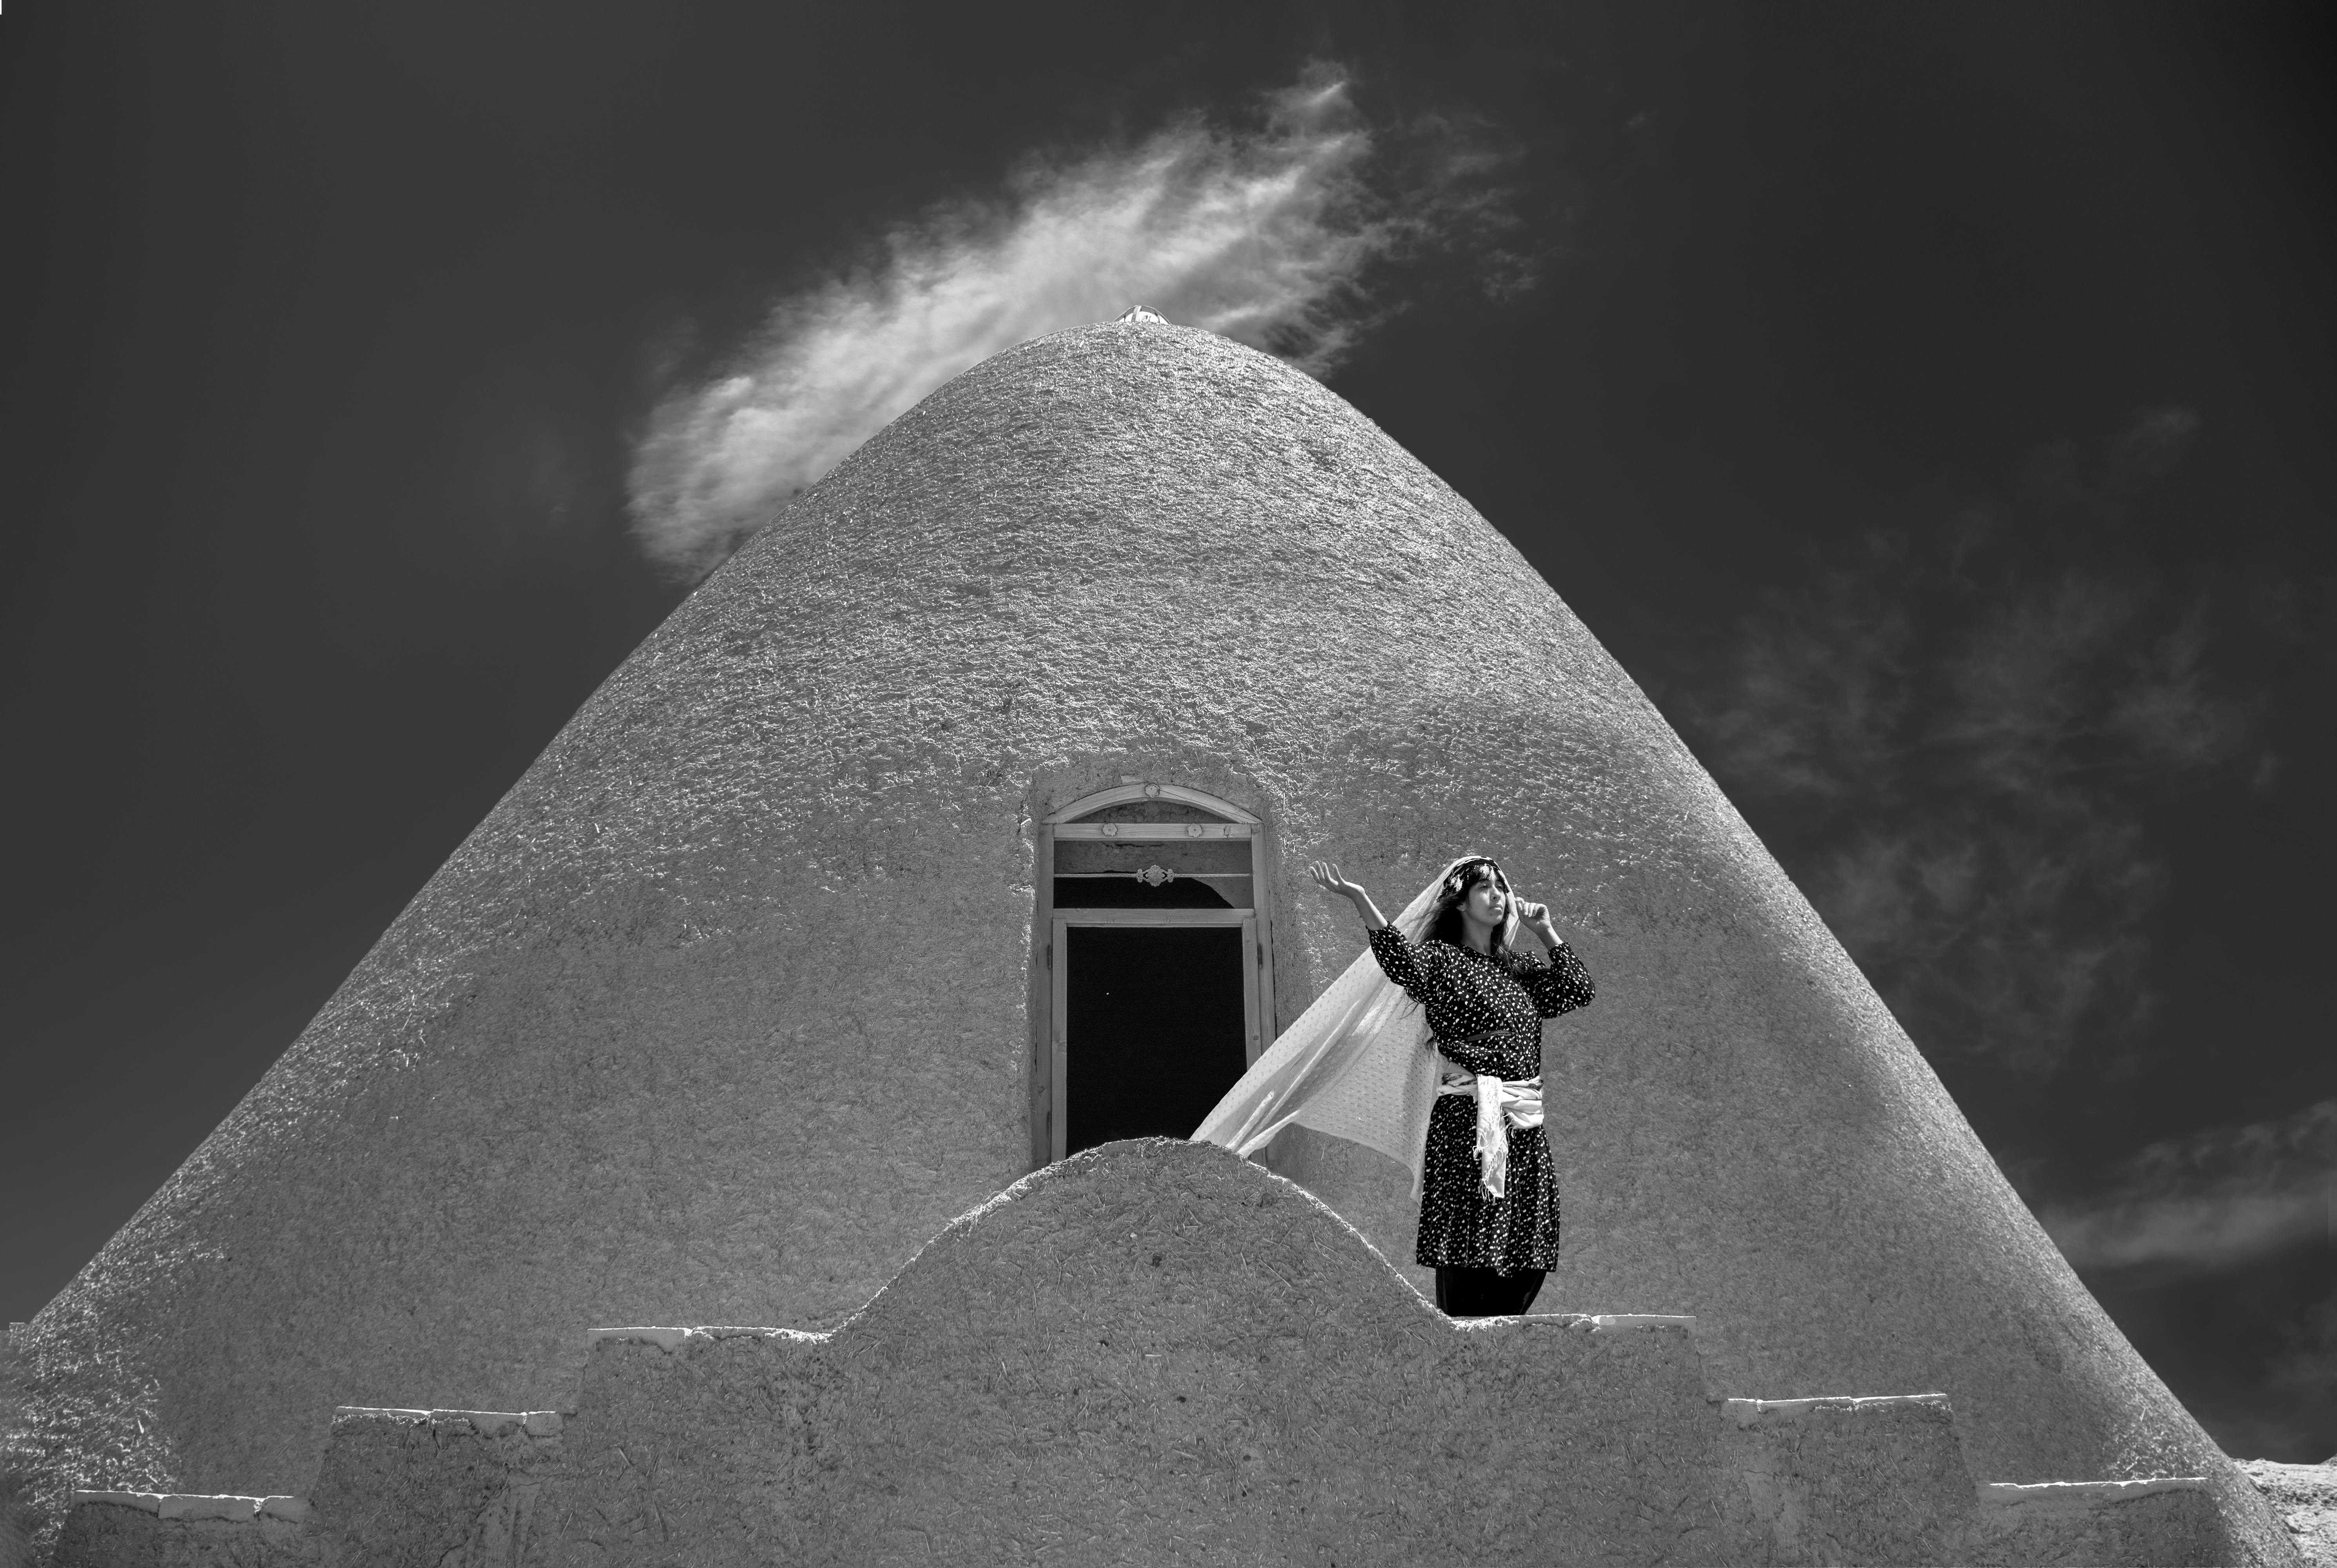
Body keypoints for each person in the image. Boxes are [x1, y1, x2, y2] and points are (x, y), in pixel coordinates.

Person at [1307, 856, 1594, 1317]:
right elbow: (1399, 961)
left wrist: (1547, 933)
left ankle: (1502, 1338)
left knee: (1526, 1244)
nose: (1498, 894)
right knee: (1469, 1242)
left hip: (1522, 1120)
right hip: (1467, 1119)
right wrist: (1359, 898)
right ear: (1460, 902)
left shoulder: (1518, 968)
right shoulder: (1442, 960)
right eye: (1485, 887)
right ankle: (1463, 1341)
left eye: (1502, 885)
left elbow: (1578, 989)